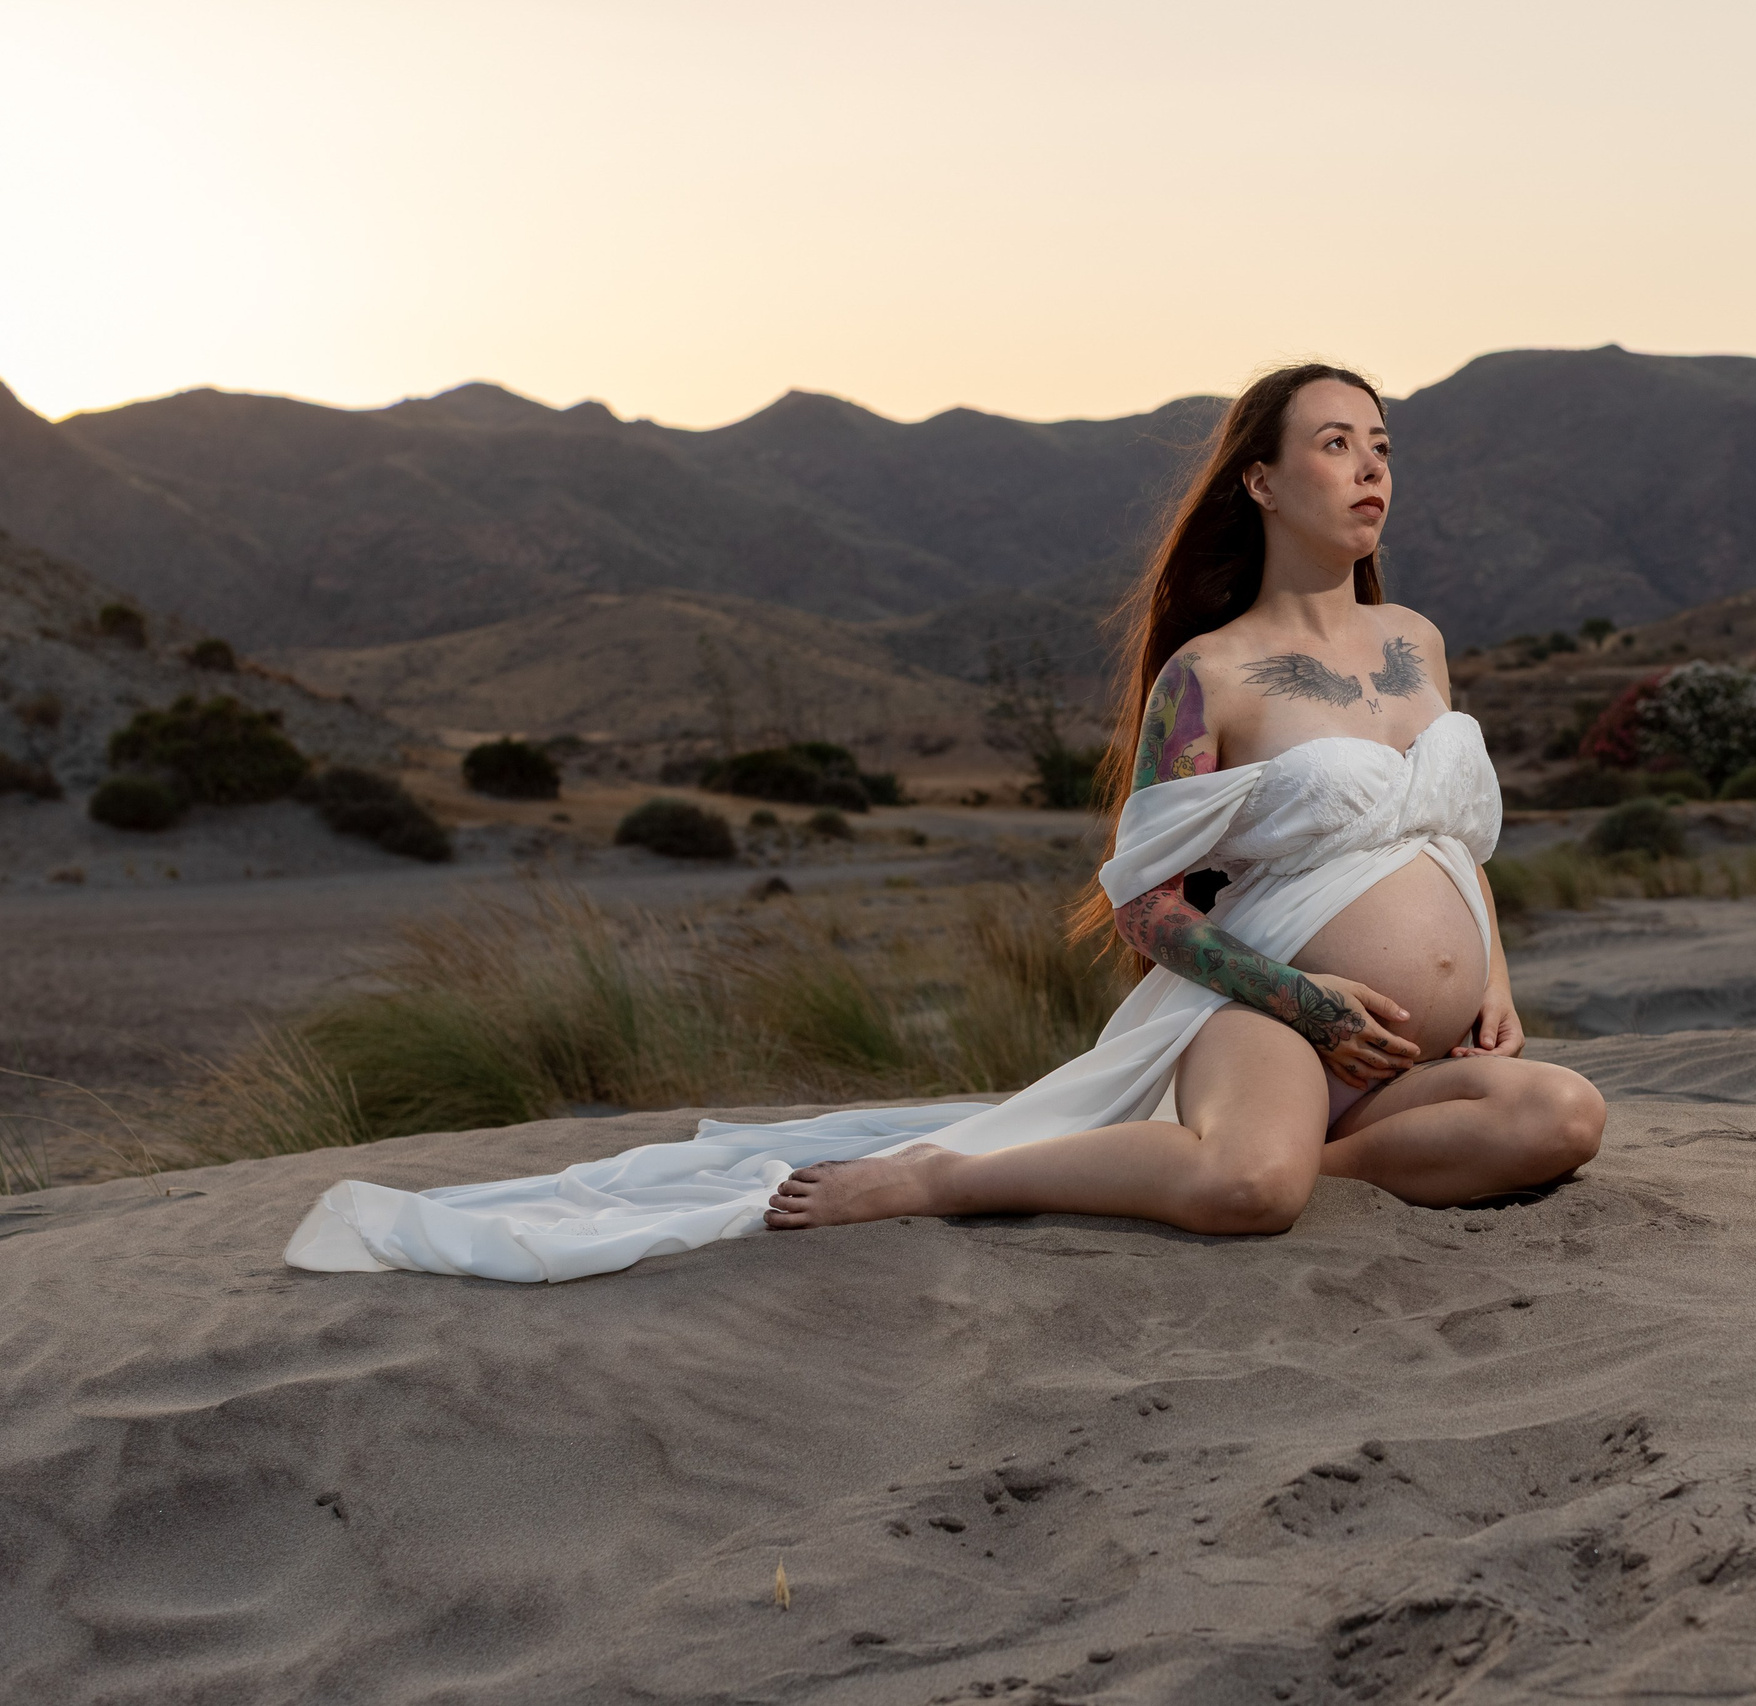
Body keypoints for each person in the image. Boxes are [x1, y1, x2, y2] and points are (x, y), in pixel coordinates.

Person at [281, 365, 1603, 1282]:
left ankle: (1343, 1163)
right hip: (1266, 1024)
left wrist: (1489, 976)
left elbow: (1451, 838)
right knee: (1251, 1194)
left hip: (1415, 1057)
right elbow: (1148, 909)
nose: (1370, 468)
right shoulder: (1210, 675)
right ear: (1257, 481)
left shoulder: (1419, 640)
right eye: (1335, 443)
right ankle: (948, 1176)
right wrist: (1302, 999)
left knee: (1563, 1114)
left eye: (1382, 446)